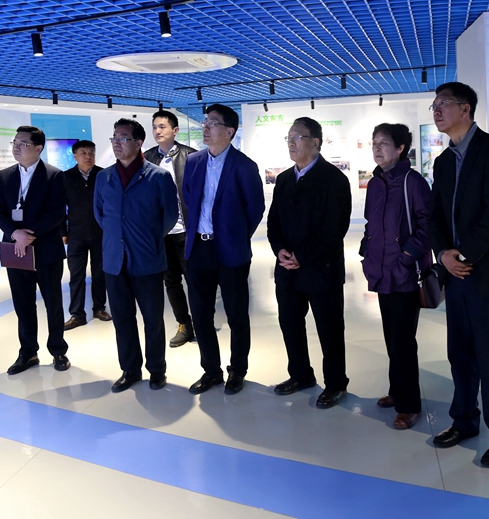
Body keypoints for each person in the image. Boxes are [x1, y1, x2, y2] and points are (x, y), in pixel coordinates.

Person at [427, 82, 489, 468]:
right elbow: (435, 215)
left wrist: (462, 255)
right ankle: (464, 421)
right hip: (456, 275)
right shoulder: (443, 161)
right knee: (460, 354)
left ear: (465, 108)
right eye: (434, 105)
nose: (436, 111)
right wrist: (443, 254)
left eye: (443, 104)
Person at [267, 117, 351, 409]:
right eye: (289, 138)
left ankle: (336, 383)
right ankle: (301, 375)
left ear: (315, 142)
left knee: (329, 329)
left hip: (321, 270)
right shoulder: (284, 179)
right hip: (287, 270)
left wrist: (301, 256)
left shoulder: (334, 179)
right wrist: (280, 250)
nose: (291, 143)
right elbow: (273, 222)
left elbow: (334, 229)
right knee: (290, 324)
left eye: (298, 137)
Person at [182, 104, 265, 395]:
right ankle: (211, 371)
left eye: (213, 123)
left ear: (230, 131)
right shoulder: (193, 162)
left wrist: (236, 237)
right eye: (205, 122)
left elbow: (255, 209)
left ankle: (237, 370)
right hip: (198, 249)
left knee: (236, 315)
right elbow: (188, 200)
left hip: (231, 251)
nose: (205, 127)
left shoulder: (244, 166)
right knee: (201, 315)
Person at [94, 119, 179, 393]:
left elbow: (170, 215)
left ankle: (157, 369)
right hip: (114, 261)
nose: (116, 143)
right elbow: (100, 214)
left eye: (123, 138)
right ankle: (130, 369)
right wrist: (118, 238)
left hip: (147, 259)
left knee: (152, 319)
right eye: (114, 138)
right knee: (122, 319)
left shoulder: (158, 177)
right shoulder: (104, 177)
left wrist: (150, 239)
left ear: (139, 142)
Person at [360, 123, 431, 430]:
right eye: (374, 143)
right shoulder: (375, 183)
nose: (377, 148)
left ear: (401, 148)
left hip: (404, 273)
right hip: (381, 271)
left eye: (384, 143)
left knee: (402, 340)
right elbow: (370, 222)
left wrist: (406, 257)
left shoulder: (412, 182)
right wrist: (367, 251)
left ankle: (409, 405)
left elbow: (427, 224)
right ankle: (396, 390)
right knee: (391, 336)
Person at [0, 126, 69, 374]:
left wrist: (29, 235)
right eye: (15, 142)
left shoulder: (54, 175)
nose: (16, 147)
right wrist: (15, 234)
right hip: (15, 250)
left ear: (38, 148)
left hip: (46, 249)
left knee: (53, 303)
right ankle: (28, 353)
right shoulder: (5, 176)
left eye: (22, 143)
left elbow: (56, 213)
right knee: (22, 303)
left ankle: (58, 350)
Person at [144, 110, 198, 348]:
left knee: (194, 280)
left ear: (175, 130)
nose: (158, 131)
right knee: (171, 281)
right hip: (162, 232)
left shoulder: (191, 156)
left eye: (162, 126)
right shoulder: (146, 158)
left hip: (187, 231)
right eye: (155, 127)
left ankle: (201, 320)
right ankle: (184, 324)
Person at [62, 140, 112, 330]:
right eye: (83, 153)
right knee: (76, 276)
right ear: (75, 156)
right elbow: (59, 207)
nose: (88, 156)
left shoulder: (103, 175)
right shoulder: (65, 177)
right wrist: (62, 231)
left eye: (91, 152)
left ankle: (99, 308)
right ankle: (77, 314)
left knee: (100, 273)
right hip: (75, 234)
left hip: (100, 233)